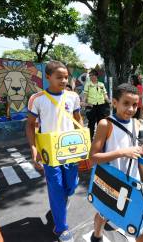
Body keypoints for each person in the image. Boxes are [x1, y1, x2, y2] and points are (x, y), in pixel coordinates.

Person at [26, 61, 83, 242]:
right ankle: (61, 228)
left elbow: (78, 119)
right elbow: (30, 125)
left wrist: (83, 144)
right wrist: (33, 147)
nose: (64, 80)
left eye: (66, 77)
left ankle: (58, 205)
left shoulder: (73, 96)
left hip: (71, 150)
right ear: (48, 77)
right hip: (50, 153)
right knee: (56, 188)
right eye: (59, 77)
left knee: (71, 187)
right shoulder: (37, 99)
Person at [89, 83, 143, 242]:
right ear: (115, 103)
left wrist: (142, 149)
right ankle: (97, 235)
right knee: (104, 214)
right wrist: (123, 152)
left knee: (140, 226)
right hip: (110, 182)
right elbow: (93, 156)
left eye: (135, 105)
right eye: (126, 103)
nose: (131, 109)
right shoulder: (105, 124)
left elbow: (132, 148)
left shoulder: (136, 123)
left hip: (132, 183)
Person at [83, 69, 110, 141]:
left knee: (101, 123)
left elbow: (105, 95)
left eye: (92, 75)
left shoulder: (101, 84)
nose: (91, 77)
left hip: (101, 105)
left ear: (96, 76)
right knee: (91, 123)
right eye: (90, 75)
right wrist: (84, 103)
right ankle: (89, 139)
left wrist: (109, 102)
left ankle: (100, 139)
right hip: (91, 105)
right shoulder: (88, 84)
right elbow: (85, 95)